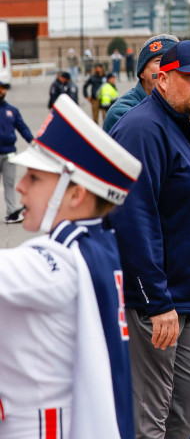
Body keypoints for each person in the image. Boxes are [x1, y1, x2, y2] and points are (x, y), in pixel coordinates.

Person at [0, 94, 143, 439]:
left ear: (75, 195)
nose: (19, 187)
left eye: (34, 178)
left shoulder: (59, 261)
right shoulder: (94, 244)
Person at [109, 41, 190, 439]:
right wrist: (156, 300)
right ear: (162, 79)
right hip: (157, 299)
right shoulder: (142, 128)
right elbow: (133, 219)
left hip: (187, 289)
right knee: (152, 413)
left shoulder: (188, 127)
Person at [104, 35, 178, 133]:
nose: (168, 68)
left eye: (174, 61)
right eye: (159, 61)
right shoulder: (123, 112)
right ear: (142, 73)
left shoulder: (180, 104)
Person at [0, 79, 34, 224]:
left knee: (9, 184)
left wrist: (32, 141)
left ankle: (11, 213)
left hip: (9, 153)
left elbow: (23, 128)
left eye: (3, 89)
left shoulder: (12, 111)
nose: (1, 91)